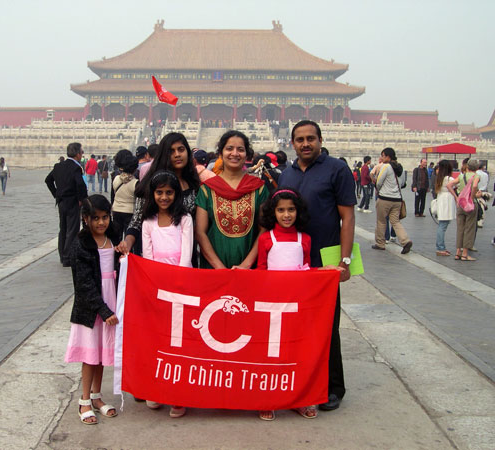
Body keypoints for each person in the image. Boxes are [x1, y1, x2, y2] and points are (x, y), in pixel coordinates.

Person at [278, 120, 355, 411]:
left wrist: (344, 261)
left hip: (325, 260)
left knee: (326, 325)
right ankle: (300, 382)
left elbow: (347, 218)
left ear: (320, 140)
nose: (305, 144)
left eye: (311, 138)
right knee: (296, 325)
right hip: (293, 261)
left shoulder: (337, 169)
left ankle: (332, 387)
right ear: (293, 143)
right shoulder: (287, 174)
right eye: (300, 139)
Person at [257, 187, 314, 421]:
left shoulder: (305, 239)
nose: (287, 215)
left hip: (297, 307)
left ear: (298, 212)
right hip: (272, 308)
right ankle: (268, 399)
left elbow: (309, 270)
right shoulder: (265, 239)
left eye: (291, 210)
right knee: (271, 355)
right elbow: (261, 271)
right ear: (273, 212)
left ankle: (300, 399)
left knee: (297, 353)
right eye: (281, 210)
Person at [140, 170, 192, 418]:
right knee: (158, 341)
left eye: (169, 192)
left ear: (176, 194)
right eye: (159, 192)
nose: (164, 197)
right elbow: (148, 259)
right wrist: (156, 287)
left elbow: (186, 256)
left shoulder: (184, 220)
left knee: (179, 343)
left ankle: (178, 395)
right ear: (153, 194)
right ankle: (156, 389)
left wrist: (178, 285)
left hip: (181, 289)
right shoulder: (147, 223)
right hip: (157, 289)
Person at [64, 194, 119, 424]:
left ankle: (97, 396)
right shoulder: (81, 244)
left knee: (102, 354)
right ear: (85, 219)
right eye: (95, 218)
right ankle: (84, 400)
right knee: (90, 356)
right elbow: (84, 284)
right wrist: (103, 310)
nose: (100, 223)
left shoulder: (112, 239)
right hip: (91, 309)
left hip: (110, 301)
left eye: (105, 217)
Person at [117, 133, 200, 265]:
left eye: (181, 149)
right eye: (171, 151)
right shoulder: (151, 185)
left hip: (185, 257)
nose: (177, 154)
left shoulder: (194, 184)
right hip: (154, 255)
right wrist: (127, 242)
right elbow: (136, 221)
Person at [195, 130, 268, 270]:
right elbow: (200, 232)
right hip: (214, 271)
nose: (235, 153)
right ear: (220, 153)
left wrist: (246, 265)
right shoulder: (207, 190)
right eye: (229, 148)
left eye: (240, 149)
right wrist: (219, 267)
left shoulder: (259, 189)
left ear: (247, 154)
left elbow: (264, 229)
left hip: (250, 270)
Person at [45, 142, 88, 266]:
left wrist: (56, 194)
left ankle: (62, 255)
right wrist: (83, 200)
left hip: (61, 202)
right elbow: (80, 184)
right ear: (77, 154)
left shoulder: (58, 166)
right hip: (73, 202)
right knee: (72, 229)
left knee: (63, 229)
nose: (82, 154)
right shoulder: (76, 168)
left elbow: (48, 180)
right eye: (81, 152)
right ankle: (68, 257)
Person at [373, 147, 413, 254]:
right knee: (395, 222)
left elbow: (379, 181)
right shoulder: (400, 167)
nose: (381, 158)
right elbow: (403, 183)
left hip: (385, 198)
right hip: (397, 200)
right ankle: (405, 240)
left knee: (381, 221)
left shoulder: (386, 167)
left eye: (383, 155)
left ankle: (380, 243)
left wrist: (377, 187)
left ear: (388, 156)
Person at [447, 159, 481, 261]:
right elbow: (474, 186)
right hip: (471, 204)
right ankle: (465, 253)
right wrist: (472, 196)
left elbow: (449, 185)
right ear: (477, 168)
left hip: (461, 204)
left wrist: (456, 197)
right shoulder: (476, 176)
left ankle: (458, 252)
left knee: (460, 228)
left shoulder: (462, 176)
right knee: (469, 228)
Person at [111, 150, 138, 239]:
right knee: (128, 238)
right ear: (134, 169)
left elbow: (113, 194)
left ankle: (116, 252)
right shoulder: (136, 183)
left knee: (116, 237)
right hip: (129, 212)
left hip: (116, 210)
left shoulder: (116, 178)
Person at [434, 160, 456, 256]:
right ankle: (440, 247)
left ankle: (441, 246)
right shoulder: (448, 178)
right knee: (443, 225)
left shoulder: (439, 177)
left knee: (442, 224)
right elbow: (457, 184)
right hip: (446, 200)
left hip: (441, 198)